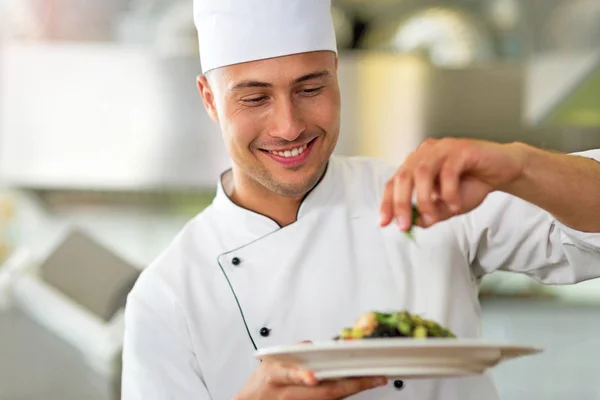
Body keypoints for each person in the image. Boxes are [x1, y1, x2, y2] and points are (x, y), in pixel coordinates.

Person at [120, 0, 600, 399]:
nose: (288, 126)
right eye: (254, 98)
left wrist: (519, 165)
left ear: (336, 77)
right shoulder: (168, 296)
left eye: (310, 88)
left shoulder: (421, 195)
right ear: (208, 98)